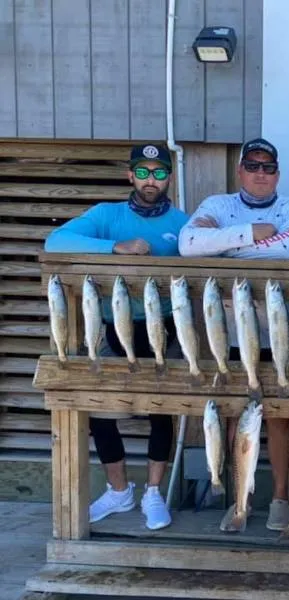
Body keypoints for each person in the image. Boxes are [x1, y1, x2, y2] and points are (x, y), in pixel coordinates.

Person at [44, 143, 189, 530]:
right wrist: (114, 247)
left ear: (169, 178)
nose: (151, 180)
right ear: (130, 175)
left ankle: (154, 493)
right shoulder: (106, 216)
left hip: (165, 328)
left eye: (159, 173)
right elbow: (54, 242)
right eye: (143, 172)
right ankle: (119, 490)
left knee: (162, 412)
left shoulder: (183, 222)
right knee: (101, 412)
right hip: (109, 329)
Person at [178, 137, 289, 532]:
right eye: (252, 165)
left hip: (281, 335)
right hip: (228, 334)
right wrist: (254, 232)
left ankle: (281, 500)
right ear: (240, 171)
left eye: (268, 167)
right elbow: (188, 245)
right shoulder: (218, 204)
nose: (260, 173)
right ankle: (240, 499)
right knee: (235, 418)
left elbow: (287, 250)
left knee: (279, 420)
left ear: (277, 173)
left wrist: (220, 245)